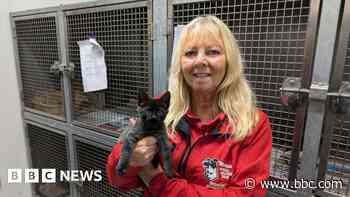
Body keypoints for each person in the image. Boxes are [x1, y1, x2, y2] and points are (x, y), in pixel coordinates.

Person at [106, 15, 272, 197]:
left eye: (213, 52)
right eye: (190, 53)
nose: (200, 61)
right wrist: (132, 160)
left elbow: (248, 193)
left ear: (229, 62)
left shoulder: (254, 123)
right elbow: (118, 179)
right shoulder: (161, 110)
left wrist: (156, 180)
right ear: (180, 63)